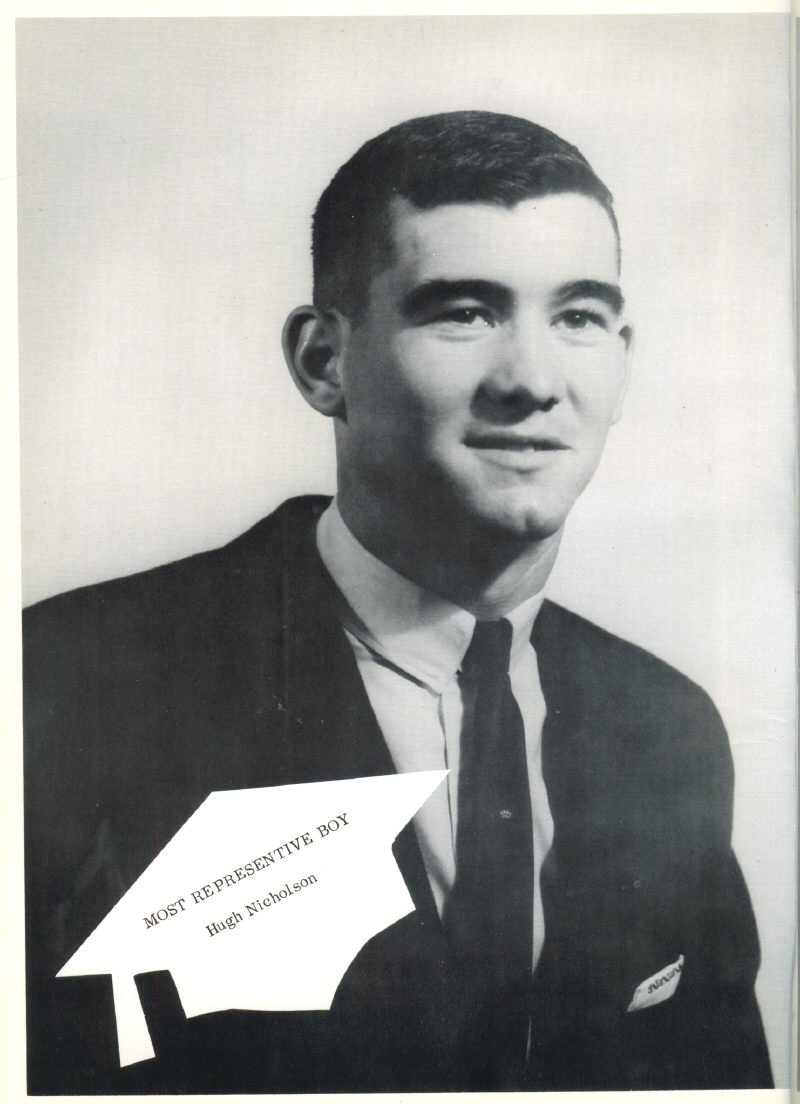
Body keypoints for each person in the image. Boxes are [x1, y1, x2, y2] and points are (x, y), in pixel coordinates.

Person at [23, 110, 773, 1094]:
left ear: (623, 357)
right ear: (322, 362)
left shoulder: (667, 727)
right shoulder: (66, 685)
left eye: (578, 317)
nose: (533, 380)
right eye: (464, 312)